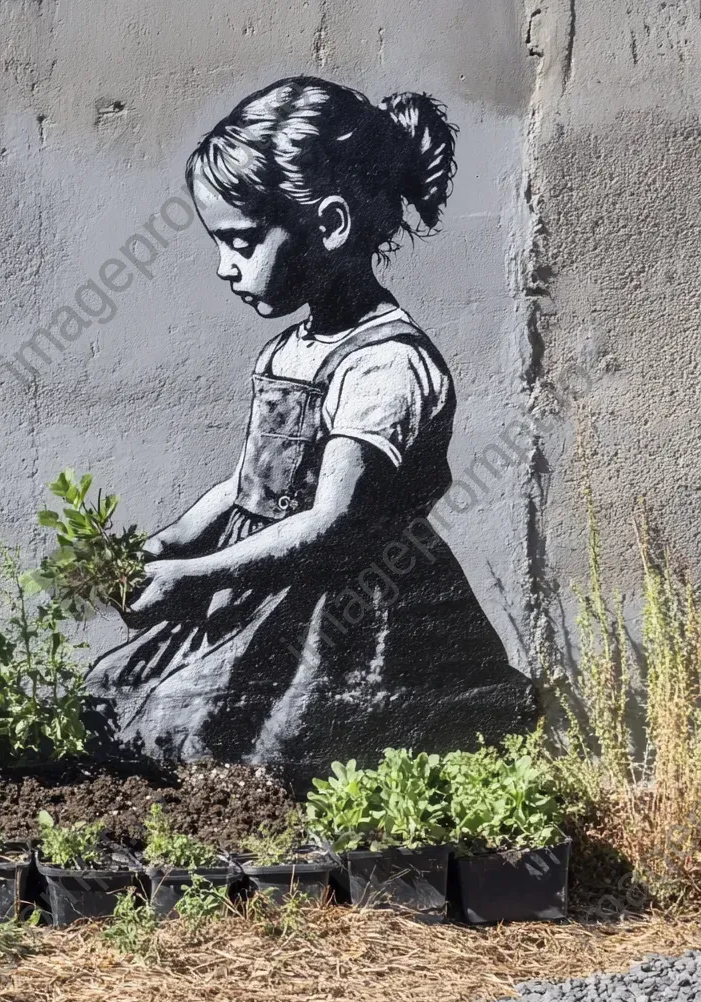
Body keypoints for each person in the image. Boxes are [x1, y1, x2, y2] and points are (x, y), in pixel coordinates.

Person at [87, 77, 534, 783]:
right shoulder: (288, 351)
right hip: (260, 579)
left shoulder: (386, 364)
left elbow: (331, 523)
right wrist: (171, 542)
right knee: (127, 702)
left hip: (349, 607)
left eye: (240, 241)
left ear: (329, 225)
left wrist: (194, 575)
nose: (223, 266)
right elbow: (247, 485)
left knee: (276, 740)